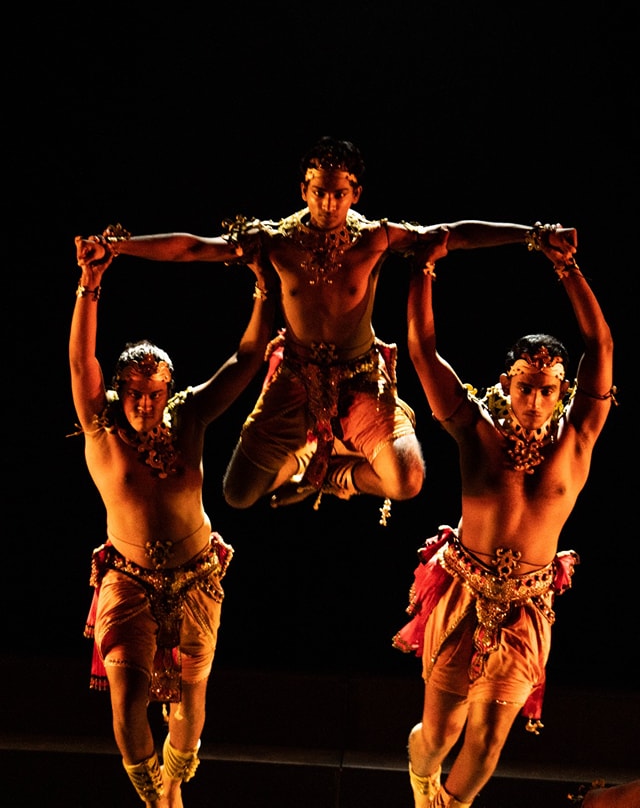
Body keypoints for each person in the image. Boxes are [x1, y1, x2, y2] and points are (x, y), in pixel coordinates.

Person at [78, 136, 577, 522]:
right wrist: (117, 248)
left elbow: (452, 237)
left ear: (355, 192)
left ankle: (335, 472)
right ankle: (302, 463)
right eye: (319, 192)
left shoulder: (375, 239)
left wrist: (534, 235)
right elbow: (195, 248)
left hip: (362, 380)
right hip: (294, 378)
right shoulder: (275, 241)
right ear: (304, 189)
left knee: (408, 480)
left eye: (339, 193)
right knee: (238, 493)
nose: (329, 203)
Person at [392, 225, 616, 808]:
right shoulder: (475, 432)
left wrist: (566, 267)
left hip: (527, 607)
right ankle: (421, 780)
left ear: (564, 390)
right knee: (440, 734)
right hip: (463, 592)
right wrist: (423, 268)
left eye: (547, 390)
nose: (536, 401)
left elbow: (602, 346)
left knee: (489, 743)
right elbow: (422, 350)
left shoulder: (580, 436)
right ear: (506, 383)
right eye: (526, 387)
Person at [69, 235, 275, 807]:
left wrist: (263, 290)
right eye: (135, 393)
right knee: (127, 699)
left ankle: (175, 787)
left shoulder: (189, 421)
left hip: (195, 580)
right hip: (128, 582)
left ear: (168, 391)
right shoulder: (100, 427)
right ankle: (153, 797)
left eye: (155, 394)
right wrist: (91, 284)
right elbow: (81, 361)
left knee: (187, 705)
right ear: (120, 389)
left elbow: (245, 362)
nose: (145, 404)